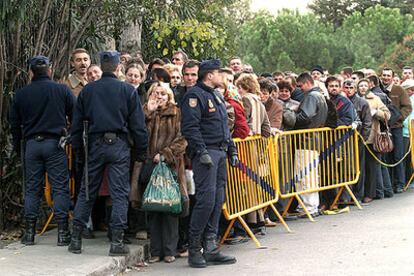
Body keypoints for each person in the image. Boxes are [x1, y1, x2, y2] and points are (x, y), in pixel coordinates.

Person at [68, 51, 148, 256]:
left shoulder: (88, 91)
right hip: (119, 144)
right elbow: (138, 126)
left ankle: (76, 238)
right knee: (119, 192)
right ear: (118, 68)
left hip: (95, 144)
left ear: (102, 68)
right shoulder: (127, 91)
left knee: (87, 190)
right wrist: (141, 151)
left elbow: (76, 125)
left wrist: (77, 149)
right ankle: (117, 241)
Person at [10, 56, 75, 246]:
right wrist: (69, 135)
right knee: (60, 188)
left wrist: (17, 147)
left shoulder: (21, 94)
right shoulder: (61, 90)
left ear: (30, 72)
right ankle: (63, 233)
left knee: (32, 189)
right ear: (50, 69)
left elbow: (14, 125)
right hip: (54, 143)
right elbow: (76, 114)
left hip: (31, 144)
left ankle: (29, 233)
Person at [181, 59, 238, 268]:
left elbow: (224, 125)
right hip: (207, 154)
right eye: (219, 73)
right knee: (205, 201)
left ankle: (211, 246)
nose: (222, 77)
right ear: (209, 75)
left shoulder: (216, 95)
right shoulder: (194, 96)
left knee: (217, 200)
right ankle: (194, 248)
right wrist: (201, 151)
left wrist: (232, 149)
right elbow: (190, 127)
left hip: (220, 151)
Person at [143, 82, 188, 264]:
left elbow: (183, 139)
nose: (159, 96)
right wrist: (147, 113)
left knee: (170, 208)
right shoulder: (146, 111)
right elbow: (137, 134)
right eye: (155, 93)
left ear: (169, 96)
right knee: (153, 208)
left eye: (163, 93)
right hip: (148, 166)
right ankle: (155, 251)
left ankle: (170, 250)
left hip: (171, 166)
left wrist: (165, 154)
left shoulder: (177, 112)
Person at [294, 72, 328, 217]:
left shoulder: (312, 96)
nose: (300, 88)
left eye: (300, 85)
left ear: (307, 83)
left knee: (304, 174)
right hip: (315, 139)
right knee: (312, 174)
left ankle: (308, 207)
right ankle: (312, 206)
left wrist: (291, 115)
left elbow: (305, 116)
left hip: (306, 139)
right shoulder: (320, 95)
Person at [358, 79, 391, 203]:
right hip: (358, 137)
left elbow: (388, 115)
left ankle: (370, 194)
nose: (362, 88)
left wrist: (376, 112)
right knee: (360, 167)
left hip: (372, 138)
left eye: (365, 85)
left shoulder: (375, 99)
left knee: (371, 167)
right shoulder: (354, 99)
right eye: (360, 85)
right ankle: (358, 193)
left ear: (369, 87)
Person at [381, 68, 412, 193]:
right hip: (383, 129)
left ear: (393, 76)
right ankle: (389, 184)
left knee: (398, 156)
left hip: (397, 128)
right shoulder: (379, 89)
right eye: (384, 75)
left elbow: (408, 106)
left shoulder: (399, 90)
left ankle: (400, 183)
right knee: (386, 156)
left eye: (388, 75)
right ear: (381, 76)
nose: (386, 77)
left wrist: (399, 117)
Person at [343, 79, 372, 202]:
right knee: (346, 169)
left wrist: (362, 139)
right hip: (343, 141)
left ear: (355, 89)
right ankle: (345, 196)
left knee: (358, 168)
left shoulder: (362, 102)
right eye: (346, 87)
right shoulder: (341, 101)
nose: (348, 90)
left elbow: (367, 123)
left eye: (351, 88)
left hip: (357, 139)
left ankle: (358, 195)